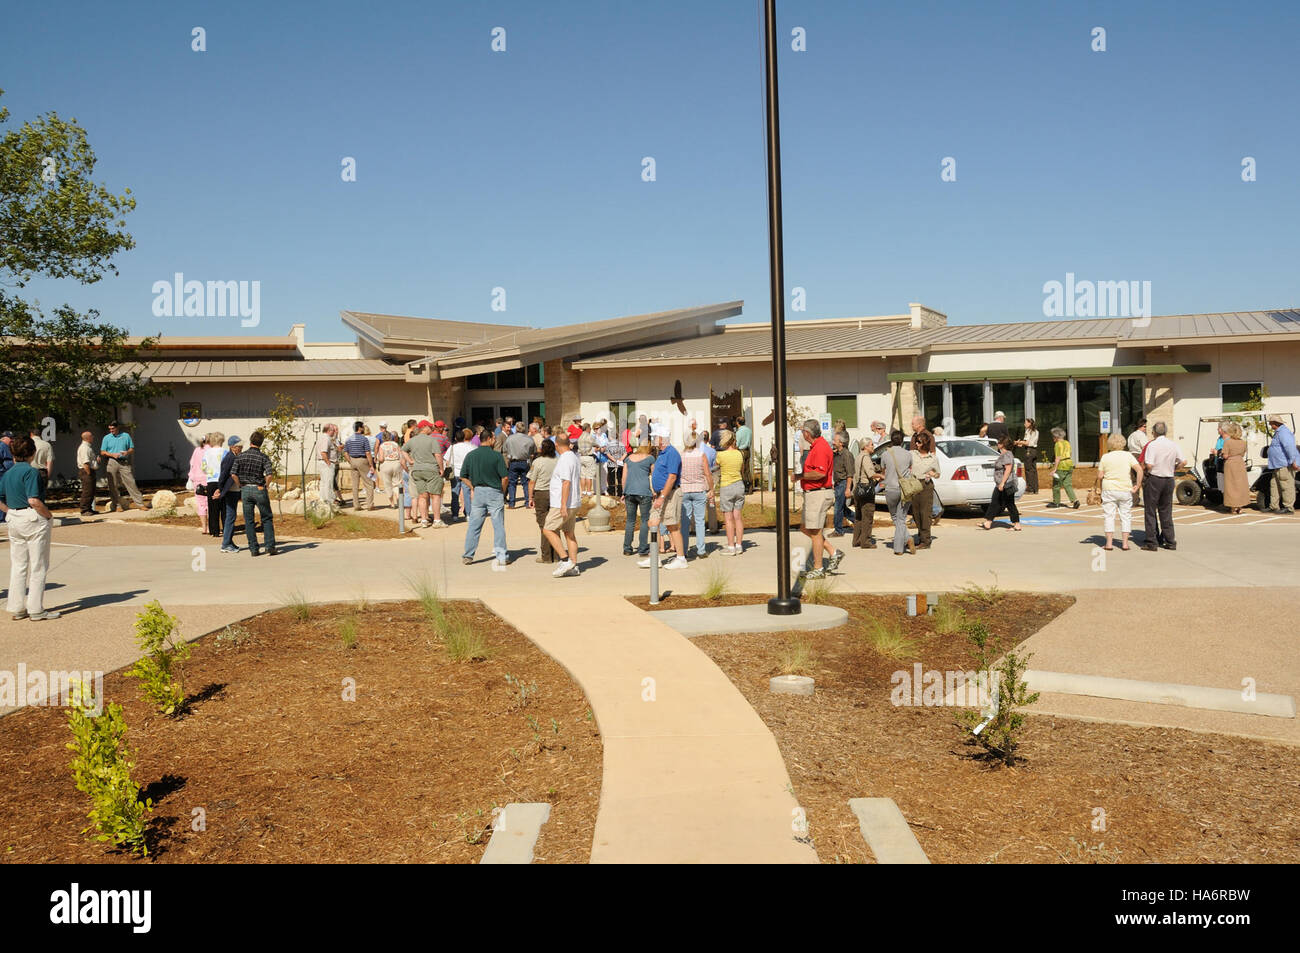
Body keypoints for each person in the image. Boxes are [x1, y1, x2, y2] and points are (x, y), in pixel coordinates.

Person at [1, 436, 60, 620]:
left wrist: (9, 511)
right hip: (32, 517)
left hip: (14, 517)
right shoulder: (32, 472)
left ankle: (17, 607)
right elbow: (34, 500)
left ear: (12, 453)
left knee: (19, 565)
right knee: (38, 565)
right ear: (33, 452)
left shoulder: (8, 473)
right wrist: (48, 515)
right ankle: (35, 609)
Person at [797, 418, 841, 578]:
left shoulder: (821, 448)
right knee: (805, 527)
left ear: (807, 433)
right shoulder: (816, 446)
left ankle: (818, 568)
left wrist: (800, 476)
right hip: (813, 494)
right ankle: (833, 551)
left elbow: (820, 473)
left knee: (815, 532)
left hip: (818, 493)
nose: (802, 434)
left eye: (803, 431)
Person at [641, 426, 688, 570]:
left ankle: (681, 558)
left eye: (655, 437)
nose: (654, 440)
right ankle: (654, 557)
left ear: (662, 438)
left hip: (670, 494)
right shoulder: (662, 453)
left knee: (672, 526)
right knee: (652, 523)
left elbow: (672, 476)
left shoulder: (672, 453)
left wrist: (662, 496)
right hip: (661, 495)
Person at [461, 431, 509, 566]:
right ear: (488, 439)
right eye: (493, 438)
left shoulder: (471, 455)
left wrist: (473, 487)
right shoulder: (496, 456)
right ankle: (501, 556)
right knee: (498, 525)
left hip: (478, 491)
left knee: (474, 525)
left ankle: (468, 555)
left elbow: (463, 475)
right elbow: (505, 477)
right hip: (494, 491)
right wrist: (502, 490)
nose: (494, 440)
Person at [229, 430, 276, 557]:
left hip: (245, 489)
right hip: (259, 488)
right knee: (266, 517)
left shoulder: (240, 456)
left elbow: (233, 474)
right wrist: (266, 485)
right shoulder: (263, 457)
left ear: (250, 441)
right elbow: (269, 474)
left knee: (249, 520)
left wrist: (240, 485)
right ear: (261, 443)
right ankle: (269, 545)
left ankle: (254, 549)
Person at [1140, 421, 1186, 551]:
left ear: (1154, 432)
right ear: (1165, 431)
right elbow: (1183, 461)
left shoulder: (1152, 445)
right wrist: (1174, 467)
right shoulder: (1173, 444)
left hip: (1155, 478)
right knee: (1166, 510)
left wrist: (1147, 472)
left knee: (1150, 510)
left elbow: (1149, 464)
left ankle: (1152, 541)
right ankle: (1170, 540)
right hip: (1169, 478)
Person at [544, 434, 583, 577]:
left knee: (548, 529)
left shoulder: (565, 459)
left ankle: (565, 559)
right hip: (574, 501)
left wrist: (562, 505)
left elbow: (566, 482)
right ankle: (573, 565)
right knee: (569, 533)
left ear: (556, 445)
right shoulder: (573, 457)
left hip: (563, 502)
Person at [1096, 432, 1142, 550]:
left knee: (1109, 516)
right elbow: (1139, 470)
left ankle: (1109, 543)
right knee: (1126, 516)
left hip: (1109, 489)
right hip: (1125, 489)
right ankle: (1125, 543)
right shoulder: (1128, 455)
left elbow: (1100, 476)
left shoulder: (1105, 457)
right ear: (1123, 443)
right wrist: (1137, 484)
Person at [402, 420, 445, 528]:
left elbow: (403, 451)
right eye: (430, 427)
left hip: (417, 470)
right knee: (435, 495)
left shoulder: (412, 440)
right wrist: (441, 469)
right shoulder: (432, 440)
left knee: (422, 495)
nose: (431, 429)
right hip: (430, 469)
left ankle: (424, 520)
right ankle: (437, 520)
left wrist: (410, 460)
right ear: (424, 427)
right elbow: (438, 455)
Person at [679, 435, 714, 559]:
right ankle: (701, 550)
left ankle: (683, 549)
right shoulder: (701, 455)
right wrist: (711, 488)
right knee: (700, 521)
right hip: (699, 489)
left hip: (684, 489)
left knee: (685, 521)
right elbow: (707, 473)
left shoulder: (681, 456)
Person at [880, 429, 914, 556]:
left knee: (895, 517)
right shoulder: (908, 454)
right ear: (902, 440)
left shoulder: (885, 454)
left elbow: (883, 470)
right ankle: (906, 539)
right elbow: (911, 467)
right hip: (905, 489)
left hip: (891, 488)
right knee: (901, 518)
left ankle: (899, 547)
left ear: (891, 440)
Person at [981, 434, 1022, 532]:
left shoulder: (1007, 454)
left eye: (999, 442)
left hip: (1006, 483)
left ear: (1002, 444)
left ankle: (1016, 524)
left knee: (1008, 503)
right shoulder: (1003, 454)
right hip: (1001, 483)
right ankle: (988, 522)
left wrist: (1002, 483)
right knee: (996, 502)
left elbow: (1008, 469)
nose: (997, 444)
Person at [100, 421, 144, 511]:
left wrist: (127, 452)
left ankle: (140, 504)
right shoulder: (106, 438)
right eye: (110, 429)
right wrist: (112, 455)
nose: (111, 430)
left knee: (131, 482)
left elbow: (131, 448)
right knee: (113, 484)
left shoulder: (126, 436)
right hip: (112, 461)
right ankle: (117, 505)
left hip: (124, 462)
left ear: (117, 428)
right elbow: (102, 452)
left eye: (113, 429)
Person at [528, 438, 559, 563]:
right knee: (555, 524)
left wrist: (530, 497)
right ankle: (557, 555)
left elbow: (531, 481)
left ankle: (546, 556)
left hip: (541, 493)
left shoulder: (537, 462)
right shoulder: (558, 461)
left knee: (543, 525)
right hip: (555, 493)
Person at [621, 441, 655, 556]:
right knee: (645, 520)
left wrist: (623, 492)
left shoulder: (629, 458)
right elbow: (654, 476)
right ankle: (643, 548)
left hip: (629, 492)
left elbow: (624, 477)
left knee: (630, 521)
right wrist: (655, 492)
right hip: (644, 492)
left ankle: (627, 548)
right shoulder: (650, 458)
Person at [716, 430, 746, 555]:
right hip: (739, 484)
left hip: (727, 486)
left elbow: (716, 467)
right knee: (738, 517)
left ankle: (731, 547)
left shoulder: (721, 455)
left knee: (728, 519)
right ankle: (739, 545)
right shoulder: (739, 454)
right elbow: (742, 468)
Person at [910, 429, 941, 546]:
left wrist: (933, 474)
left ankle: (925, 540)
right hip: (914, 484)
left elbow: (938, 474)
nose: (916, 444)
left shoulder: (933, 458)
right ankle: (920, 535)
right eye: (916, 441)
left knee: (925, 512)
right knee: (916, 513)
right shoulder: (913, 454)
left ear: (924, 444)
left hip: (926, 485)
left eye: (919, 442)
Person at [1265, 415, 1299, 514]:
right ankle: (1274, 506)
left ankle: (1288, 507)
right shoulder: (1279, 432)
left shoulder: (1284, 433)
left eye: (1270, 423)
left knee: (1286, 486)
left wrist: (1293, 461)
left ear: (1275, 423)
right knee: (1274, 485)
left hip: (1284, 464)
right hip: (1277, 464)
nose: (1270, 425)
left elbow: (1290, 448)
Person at [216, 436, 243, 553]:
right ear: (232, 447)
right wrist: (220, 489)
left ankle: (229, 541)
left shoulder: (235, 456)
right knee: (230, 517)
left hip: (235, 490)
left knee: (231, 516)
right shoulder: (230, 457)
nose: (241, 448)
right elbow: (223, 475)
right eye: (239, 446)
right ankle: (226, 544)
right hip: (230, 491)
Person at [852, 437, 878, 549]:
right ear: (866, 446)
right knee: (867, 516)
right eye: (871, 444)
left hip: (857, 490)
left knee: (858, 517)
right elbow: (871, 474)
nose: (873, 446)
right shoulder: (866, 458)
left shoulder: (858, 457)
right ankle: (866, 541)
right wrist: (881, 476)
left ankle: (856, 540)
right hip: (866, 490)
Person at [343, 421, 376, 510]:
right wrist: (371, 465)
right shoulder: (364, 439)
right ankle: (369, 505)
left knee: (355, 484)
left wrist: (350, 461)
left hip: (353, 460)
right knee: (369, 483)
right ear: (360, 428)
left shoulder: (349, 439)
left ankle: (356, 505)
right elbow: (368, 453)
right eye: (362, 427)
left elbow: (345, 452)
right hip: (362, 460)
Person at [828, 432, 854, 538]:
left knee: (838, 508)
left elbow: (849, 474)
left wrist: (848, 489)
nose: (833, 442)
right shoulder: (837, 453)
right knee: (842, 508)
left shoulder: (846, 455)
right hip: (839, 483)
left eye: (835, 440)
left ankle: (838, 530)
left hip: (844, 483)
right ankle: (859, 521)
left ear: (841, 443)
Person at [201, 431, 227, 537]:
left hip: (211, 480)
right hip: (223, 480)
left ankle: (214, 530)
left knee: (212, 506)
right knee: (224, 506)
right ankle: (226, 528)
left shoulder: (207, 453)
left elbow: (203, 467)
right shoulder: (225, 452)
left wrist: (209, 472)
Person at [1221, 421, 1250, 514]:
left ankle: (1233, 507)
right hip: (1240, 463)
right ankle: (1240, 507)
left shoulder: (1228, 442)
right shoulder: (1243, 442)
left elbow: (1225, 455)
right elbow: (1242, 454)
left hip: (1230, 464)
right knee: (1241, 485)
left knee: (1231, 486)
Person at [504, 422, 536, 508]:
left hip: (513, 462)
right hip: (525, 462)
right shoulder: (529, 439)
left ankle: (511, 503)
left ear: (516, 429)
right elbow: (533, 451)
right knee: (525, 482)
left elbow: (505, 450)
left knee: (512, 483)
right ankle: (527, 502)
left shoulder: (510, 438)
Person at [1047, 426, 1079, 509]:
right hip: (1069, 464)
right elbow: (1070, 454)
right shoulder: (1067, 443)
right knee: (1067, 484)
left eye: (1053, 436)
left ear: (1056, 437)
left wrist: (1054, 469)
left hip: (1062, 465)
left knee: (1056, 485)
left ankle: (1056, 502)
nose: (1053, 438)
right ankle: (1075, 500)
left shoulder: (1058, 444)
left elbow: (1057, 457)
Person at [449, 428, 475, 522]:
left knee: (455, 493)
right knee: (466, 493)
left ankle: (455, 514)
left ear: (455, 438)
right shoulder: (470, 447)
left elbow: (447, 459)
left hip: (455, 472)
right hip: (466, 473)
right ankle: (468, 514)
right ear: (464, 437)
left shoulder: (452, 447)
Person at [376, 429, 404, 509]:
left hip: (386, 464)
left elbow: (381, 459)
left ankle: (392, 503)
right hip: (396, 464)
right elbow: (400, 455)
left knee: (387, 484)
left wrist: (378, 459)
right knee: (397, 483)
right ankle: (399, 501)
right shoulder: (395, 444)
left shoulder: (382, 446)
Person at [315, 424, 342, 508]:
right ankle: (329, 501)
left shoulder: (323, 437)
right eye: (333, 430)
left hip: (323, 462)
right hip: (326, 463)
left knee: (324, 482)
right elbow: (323, 452)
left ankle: (323, 499)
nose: (335, 432)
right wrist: (328, 463)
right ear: (329, 430)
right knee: (328, 483)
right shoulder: (326, 439)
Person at [186, 435, 209, 530]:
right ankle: (212, 526)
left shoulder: (197, 450)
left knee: (201, 504)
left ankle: (204, 527)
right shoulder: (211, 450)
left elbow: (192, 464)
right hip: (208, 479)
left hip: (196, 480)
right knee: (210, 504)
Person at [1015, 418, 1040, 495]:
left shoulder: (1028, 431)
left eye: (1025, 422)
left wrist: (1018, 442)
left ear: (1029, 423)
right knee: (1033, 470)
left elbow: (1027, 442)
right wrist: (1021, 443)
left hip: (1029, 451)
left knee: (1028, 470)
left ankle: (1030, 489)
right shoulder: (1036, 431)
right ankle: (1035, 488)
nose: (1024, 424)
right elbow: (1029, 442)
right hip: (1034, 450)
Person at [77, 430, 98, 516]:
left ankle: (89, 508)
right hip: (86, 471)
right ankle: (84, 509)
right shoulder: (84, 448)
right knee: (87, 491)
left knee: (91, 491)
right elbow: (85, 463)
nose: (93, 437)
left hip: (89, 470)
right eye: (91, 436)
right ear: (88, 438)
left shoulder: (88, 447)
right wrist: (89, 473)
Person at [577, 423, 597, 496]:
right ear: (587, 428)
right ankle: (588, 491)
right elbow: (596, 444)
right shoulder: (590, 437)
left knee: (582, 475)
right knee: (589, 475)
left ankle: (583, 491)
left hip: (581, 457)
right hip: (588, 456)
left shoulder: (580, 437)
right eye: (590, 428)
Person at [735, 415, 753, 491]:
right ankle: (750, 486)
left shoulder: (739, 432)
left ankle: (745, 486)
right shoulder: (749, 430)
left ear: (738, 423)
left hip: (741, 451)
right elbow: (750, 441)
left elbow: (737, 443)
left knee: (741, 469)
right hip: (748, 450)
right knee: (747, 469)